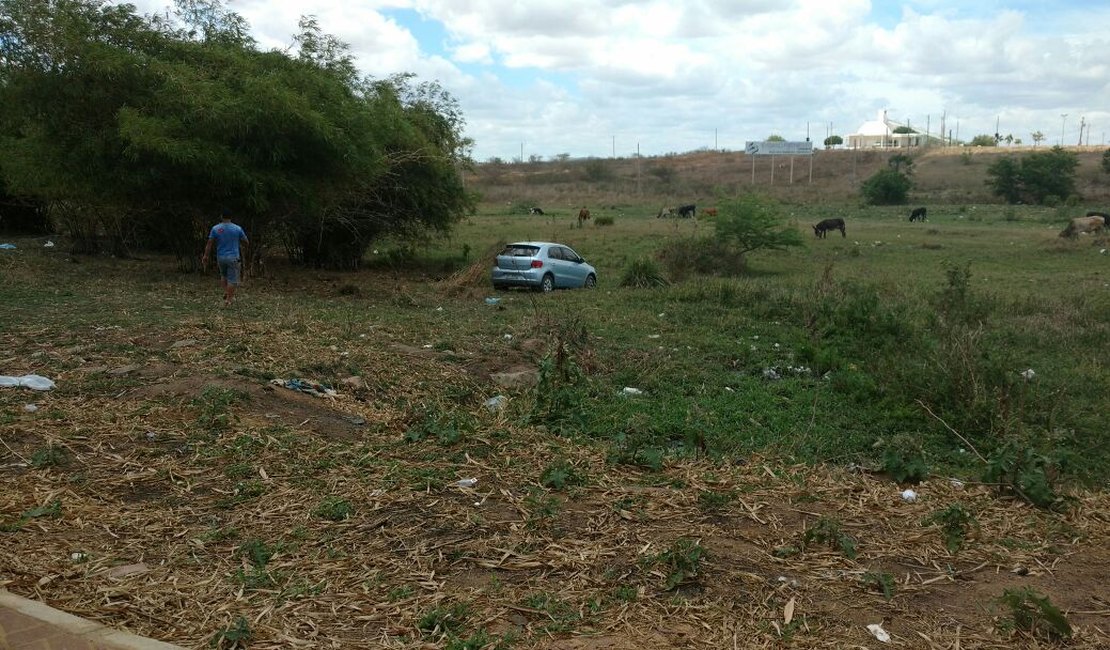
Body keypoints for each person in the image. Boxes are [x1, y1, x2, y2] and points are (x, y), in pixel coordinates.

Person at [201, 210, 249, 307]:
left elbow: (209, 243)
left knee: (224, 276)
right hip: (234, 257)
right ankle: (229, 299)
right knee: (233, 279)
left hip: (221, 257)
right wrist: (243, 246)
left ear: (221, 216)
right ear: (231, 217)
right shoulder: (237, 228)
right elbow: (246, 241)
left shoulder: (215, 228)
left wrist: (206, 256)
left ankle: (227, 292)